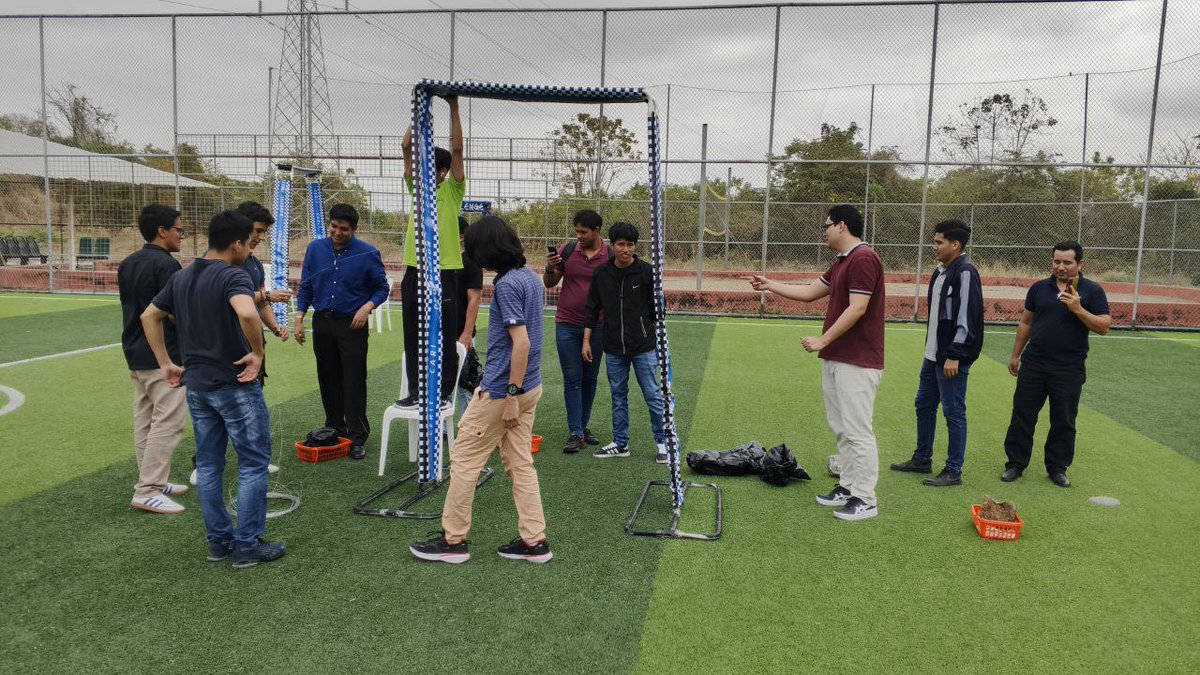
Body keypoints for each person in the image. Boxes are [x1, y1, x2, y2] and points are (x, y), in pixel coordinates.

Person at [141, 209, 285, 568]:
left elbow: (149, 316)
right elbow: (248, 313)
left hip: (198, 387)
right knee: (253, 463)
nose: (250, 248)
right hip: (234, 385)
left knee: (209, 466)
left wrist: (165, 363)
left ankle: (219, 542)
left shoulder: (184, 275)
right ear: (236, 243)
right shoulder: (231, 276)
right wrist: (256, 353)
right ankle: (247, 546)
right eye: (248, 242)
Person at [409, 215, 552, 564]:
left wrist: (510, 397)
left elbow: (522, 344)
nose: (466, 252)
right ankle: (535, 542)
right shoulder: (531, 279)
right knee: (520, 464)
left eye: (469, 246)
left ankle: (453, 542)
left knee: (464, 460)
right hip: (529, 387)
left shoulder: (507, 285)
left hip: (508, 392)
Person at [745, 204, 885, 521]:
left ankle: (866, 498)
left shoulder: (864, 258)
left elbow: (858, 308)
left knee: (858, 431)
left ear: (842, 226)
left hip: (858, 361)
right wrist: (769, 284)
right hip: (838, 358)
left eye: (827, 226)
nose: (824, 232)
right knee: (841, 428)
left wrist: (823, 340)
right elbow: (810, 292)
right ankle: (849, 487)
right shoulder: (842, 262)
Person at [187, 201, 290, 485]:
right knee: (218, 412)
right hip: (223, 351)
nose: (258, 238)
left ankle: (255, 458)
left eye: (263, 233)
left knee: (254, 407)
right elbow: (242, 303)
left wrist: (274, 326)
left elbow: (257, 302)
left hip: (251, 349)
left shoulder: (253, 263)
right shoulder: (217, 265)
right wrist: (267, 297)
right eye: (256, 231)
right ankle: (204, 463)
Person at [1002, 241, 1110, 488]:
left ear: (1080, 264)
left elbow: (1104, 326)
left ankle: (1057, 468)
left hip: (1068, 368)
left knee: (1063, 420)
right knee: (1022, 415)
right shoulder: (1039, 288)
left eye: (1067, 262)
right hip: (1034, 364)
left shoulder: (1093, 291)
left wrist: (1078, 308)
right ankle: (1015, 464)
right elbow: (1026, 322)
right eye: (1056, 261)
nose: (1061, 267)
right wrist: (1015, 354)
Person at [891, 220, 984, 487]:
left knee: (954, 412)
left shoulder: (965, 272)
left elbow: (967, 317)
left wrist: (954, 354)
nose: (934, 247)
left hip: (950, 358)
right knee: (924, 404)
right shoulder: (940, 271)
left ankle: (953, 470)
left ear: (955, 245)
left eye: (938, 242)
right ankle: (922, 459)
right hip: (932, 355)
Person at [294, 204, 390, 461]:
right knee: (328, 378)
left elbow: (382, 288)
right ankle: (335, 429)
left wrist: (367, 308)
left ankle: (358, 437)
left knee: (353, 380)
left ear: (354, 230)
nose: (337, 232)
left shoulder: (368, 253)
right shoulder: (316, 249)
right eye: (333, 227)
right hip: (323, 323)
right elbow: (306, 286)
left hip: (352, 325)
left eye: (344, 229)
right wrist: (300, 318)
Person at [118, 204, 188, 514]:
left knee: (145, 420)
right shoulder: (167, 266)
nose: (181, 235)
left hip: (135, 352)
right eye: (178, 229)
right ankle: (148, 489)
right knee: (169, 422)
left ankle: (153, 482)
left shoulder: (129, 262)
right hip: (164, 356)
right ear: (162, 231)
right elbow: (172, 313)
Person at [399, 95, 466, 411]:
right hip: (416, 269)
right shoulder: (417, 187)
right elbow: (406, 147)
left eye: (443, 170)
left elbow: (457, 151)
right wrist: (419, 110)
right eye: (435, 169)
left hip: (445, 270)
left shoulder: (453, 190)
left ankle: (443, 393)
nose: (439, 175)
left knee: (446, 336)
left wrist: (453, 107)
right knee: (413, 334)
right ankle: (416, 392)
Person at [583, 222, 668, 464]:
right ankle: (620, 443)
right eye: (621, 244)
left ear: (635, 246)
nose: (626, 249)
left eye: (630, 245)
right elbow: (592, 309)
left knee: (652, 394)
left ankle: (662, 442)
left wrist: (659, 340)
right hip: (613, 348)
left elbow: (658, 312)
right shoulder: (602, 274)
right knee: (618, 394)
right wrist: (586, 341)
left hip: (643, 346)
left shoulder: (647, 272)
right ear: (612, 246)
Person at [543, 209, 609, 453]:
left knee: (590, 378)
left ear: (597, 230)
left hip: (598, 327)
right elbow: (550, 283)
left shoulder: (609, 254)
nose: (578, 236)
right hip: (567, 324)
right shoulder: (568, 250)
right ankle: (575, 432)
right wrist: (550, 269)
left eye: (583, 232)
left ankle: (583, 425)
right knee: (572, 378)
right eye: (576, 231)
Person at [454, 216, 484, 414]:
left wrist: (466, 334)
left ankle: (469, 427)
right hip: (441, 332)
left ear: (461, 237)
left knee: (467, 383)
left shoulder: (470, 262)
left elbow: (475, 299)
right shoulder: (437, 262)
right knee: (445, 382)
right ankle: (445, 428)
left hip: (462, 334)